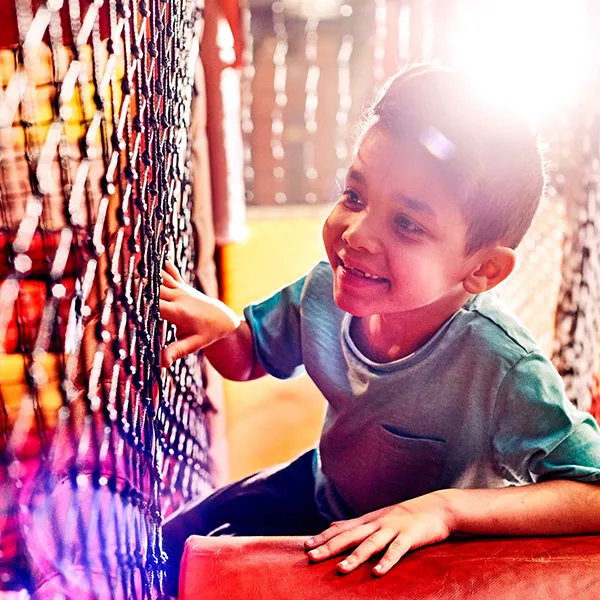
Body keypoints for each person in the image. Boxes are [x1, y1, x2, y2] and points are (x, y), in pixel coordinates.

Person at [158, 64, 600, 595]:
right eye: (354, 196)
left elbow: (593, 491)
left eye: (407, 223)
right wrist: (220, 329)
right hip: (320, 490)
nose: (356, 234)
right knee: (171, 542)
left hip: (419, 551)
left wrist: (445, 511)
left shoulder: (504, 369)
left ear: (482, 269)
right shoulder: (325, 290)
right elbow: (250, 357)